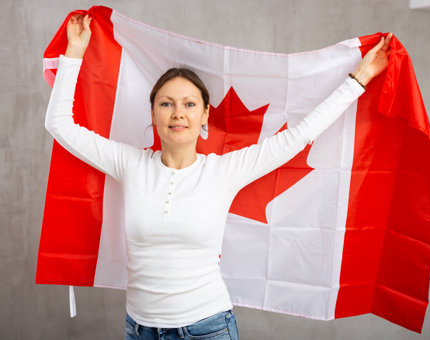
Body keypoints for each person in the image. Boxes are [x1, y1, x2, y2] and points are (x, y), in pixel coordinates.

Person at [45, 13, 392, 340]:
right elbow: (59, 125)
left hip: (208, 329)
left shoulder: (223, 172)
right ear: (152, 112)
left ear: (205, 116)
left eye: (189, 104)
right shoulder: (131, 164)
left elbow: (297, 136)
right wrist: (74, 51)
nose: (178, 113)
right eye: (166, 104)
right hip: (140, 330)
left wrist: (359, 78)